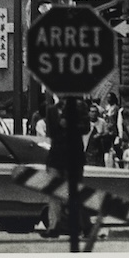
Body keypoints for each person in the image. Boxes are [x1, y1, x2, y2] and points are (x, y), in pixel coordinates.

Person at [40, 96, 89, 239]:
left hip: (73, 157)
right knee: (54, 193)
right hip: (56, 157)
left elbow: (86, 128)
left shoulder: (79, 106)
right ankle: (54, 227)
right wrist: (60, 125)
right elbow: (51, 132)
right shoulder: (52, 110)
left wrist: (70, 124)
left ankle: (85, 226)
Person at [83, 102, 106, 167]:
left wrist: (100, 135)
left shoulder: (102, 122)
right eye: (92, 112)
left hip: (99, 150)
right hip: (87, 149)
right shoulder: (84, 122)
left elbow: (106, 132)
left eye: (95, 112)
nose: (94, 114)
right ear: (89, 113)